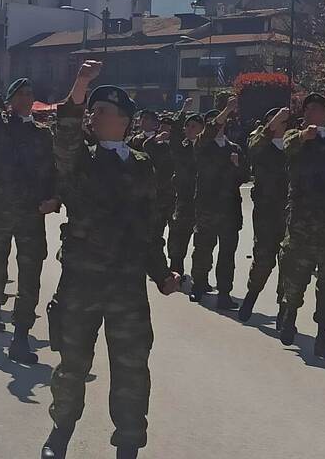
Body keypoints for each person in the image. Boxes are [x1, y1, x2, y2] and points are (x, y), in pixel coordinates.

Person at [43, 60, 180, 459]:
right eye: (93, 109)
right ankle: (61, 433)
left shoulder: (141, 165)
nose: (94, 115)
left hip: (127, 286)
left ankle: (129, 444)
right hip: (82, 281)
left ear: (124, 122)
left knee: (133, 369)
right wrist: (81, 84)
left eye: (103, 111)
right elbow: (65, 135)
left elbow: (150, 227)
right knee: (72, 364)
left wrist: (161, 273)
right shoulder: (80, 161)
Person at [0, 73, 58, 363]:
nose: (25, 98)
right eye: (19, 94)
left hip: (31, 214)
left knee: (30, 275)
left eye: (28, 94)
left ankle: (21, 334)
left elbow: (52, 170)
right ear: (9, 101)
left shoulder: (42, 133)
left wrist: (53, 198)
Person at [278, 93, 325, 360]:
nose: (311, 113)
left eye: (316, 109)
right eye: (307, 109)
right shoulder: (295, 138)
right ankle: (289, 315)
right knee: (295, 279)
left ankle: (323, 337)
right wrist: (302, 138)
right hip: (302, 224)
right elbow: (286, 149)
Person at [189, 96, 249, 309]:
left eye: (223, 122)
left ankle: (224, 292)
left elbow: (244, 177)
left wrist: (236, 165)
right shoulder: (202, 145)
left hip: (230, 209)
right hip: (208, 207)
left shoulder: (234, 148)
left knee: (227, 254)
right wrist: (225, 111)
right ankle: (198, 285)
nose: (220, 125)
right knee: (203, 249)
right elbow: (209, 133)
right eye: (216, 123)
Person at [239, 107, 290, 323]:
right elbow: (253, 147)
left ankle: (284, 311)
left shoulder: (295, 144)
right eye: (272, 121)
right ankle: (250, 298)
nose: (277, 124)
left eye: (281, 121)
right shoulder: (260, 143)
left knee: (289, 262)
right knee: (264, 258)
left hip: (290, 211)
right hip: (267, 212)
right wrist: (273, 123)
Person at [167, 99, 204, 278]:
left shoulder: (207, 149)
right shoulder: (181, 147)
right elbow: (174, 132)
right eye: (187, 126)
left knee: (202, 242)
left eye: (194, 126)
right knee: (178, 238)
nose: (189, 129)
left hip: (202, 200)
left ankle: (200, 278)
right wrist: (183, 111)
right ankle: (176, 271)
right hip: (183, 199)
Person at [141, 115, 176, 239]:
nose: (165, 130)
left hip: (175, 195)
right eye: (162, 127)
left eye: (168, 127)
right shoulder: (156, 145)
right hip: (160, 192)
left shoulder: (178, 145)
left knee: (176, 232)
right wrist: (156, 139)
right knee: (156, 231)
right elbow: (146, 146)